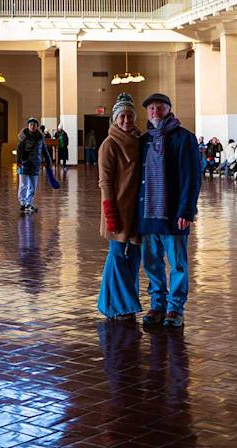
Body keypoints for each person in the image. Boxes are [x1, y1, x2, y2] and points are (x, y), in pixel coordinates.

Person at [137, 93, 202, 329]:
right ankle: (157, 304)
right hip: (148, 214)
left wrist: (186, 210)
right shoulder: (143, 140)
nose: (155, 111)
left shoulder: (185, 139)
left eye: (159, 107)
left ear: (169, 110)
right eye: (151, 108)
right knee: (152, 263)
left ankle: (175, 308)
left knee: (177, 264)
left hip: (174, 214)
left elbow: (191, 177)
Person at [97, 93, 143, 320]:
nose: (126, 120)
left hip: (138, 209)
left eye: (130, 116)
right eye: (122, 116)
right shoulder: (109, 144)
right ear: (115, 119)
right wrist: (110, 212)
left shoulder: (140, 141)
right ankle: (124, 306)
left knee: (135, 256)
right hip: (117, 209)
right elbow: (104, 182)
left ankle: (110, 304)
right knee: (116, 256)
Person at [16, 118, 47, 214]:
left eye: (34, 124)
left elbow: (44, 150)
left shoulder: (39, 138)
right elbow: (19, 150)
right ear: (28, 126)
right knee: (23, 185)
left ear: (37, 126)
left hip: (35, 164)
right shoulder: (23, 137)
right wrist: (19, 161)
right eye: (31, 124)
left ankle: (29, 203)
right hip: (24, 164)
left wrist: (48, 161)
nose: (32, 126)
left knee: (33, 186)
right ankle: (23, 203)